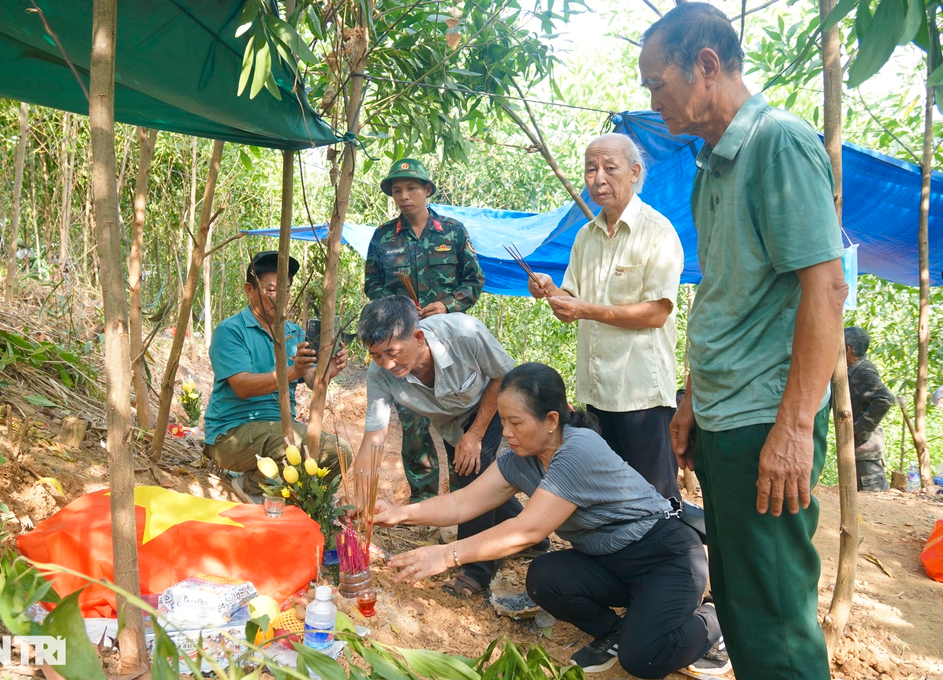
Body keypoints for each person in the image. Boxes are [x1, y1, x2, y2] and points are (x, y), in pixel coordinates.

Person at [640, 4, 848, 679]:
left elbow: (824, 288)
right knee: (737, 603)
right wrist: (694, 399)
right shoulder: (710, 165)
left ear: (705, 65)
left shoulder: (778, 142)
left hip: (767, 418)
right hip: (726, 417)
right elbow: (730, 294)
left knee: (775, 618)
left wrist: (793, 427)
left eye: (657, 82)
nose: (653, 100)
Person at [373, 363, 728, 677]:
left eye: (516, 422)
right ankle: (617, 631)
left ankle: (715, 620)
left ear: (551, 420)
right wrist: (400, 514)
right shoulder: (520, 458)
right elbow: (464, 503)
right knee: (545, 578)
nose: (507, 433)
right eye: (503, 422)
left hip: (665, 557)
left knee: (644, 660)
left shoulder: (578, 450)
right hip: (610, 561)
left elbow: (529, 529)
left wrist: (447, 555)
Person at [352, 296, 548, 597]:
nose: (387, 364)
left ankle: (475, 572)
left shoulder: (464, 333)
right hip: (447, 420)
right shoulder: (380, 374)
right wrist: (361, 498)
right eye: (377, 356)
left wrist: (476, 435)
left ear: (418, 337)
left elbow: (503, 377)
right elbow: (373, 439)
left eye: (392, 352)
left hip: (488, 405)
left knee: (471, 471)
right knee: (476, 479)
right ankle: (532, 539)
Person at [528, 135, 684, 500]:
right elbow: (572, 304)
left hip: (640, 393)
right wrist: (552, 291)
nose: (598, 178)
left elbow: (657, 313)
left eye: (609, 168)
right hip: (596, 391)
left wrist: (585, 309)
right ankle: (618, 557)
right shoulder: (586, 236)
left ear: (634, 172)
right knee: (610, 491)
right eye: (590, 169)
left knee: (655, 495)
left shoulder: (657, 233)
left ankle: (672, 556)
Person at [365, 158, 486, 503]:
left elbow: (475, 281)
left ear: (427, 191)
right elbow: (371, 285)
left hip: (447, 344)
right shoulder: (383, 237)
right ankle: (423, 499)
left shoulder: (453, 231)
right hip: (404, 345)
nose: (404, 196)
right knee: (413, 421)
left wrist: (447, 304)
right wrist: (397, 309)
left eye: (412, 188)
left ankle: (463, 501)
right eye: (397, 190)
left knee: (457, 418)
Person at [203, 251, 351, 502]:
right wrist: (292, 372)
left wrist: (328, 372)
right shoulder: (230, 331)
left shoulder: (294, 332)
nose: (279, 297)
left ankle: (294, 501)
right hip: (231, 436)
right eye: (271, 289)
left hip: (279, 432)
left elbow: (312, 379)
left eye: (286, 290)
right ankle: (250, 484)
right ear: (249, 289)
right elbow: (242, 386)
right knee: (291, 445)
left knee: (340, 453)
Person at [844, 326, 895, 492]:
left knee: (872, 496)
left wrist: (857, 428)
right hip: (860, 447)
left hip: (866, 447)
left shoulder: (862, 370)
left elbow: (885, 399)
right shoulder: (853, 370)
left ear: (846, 349)